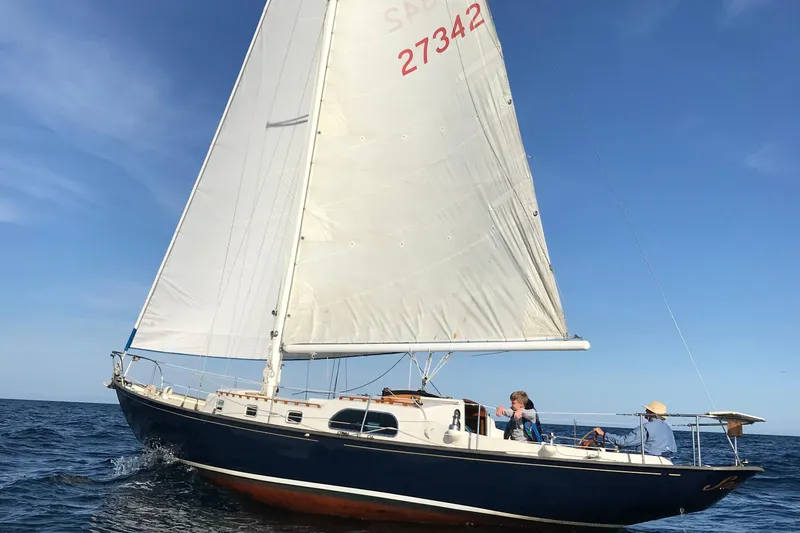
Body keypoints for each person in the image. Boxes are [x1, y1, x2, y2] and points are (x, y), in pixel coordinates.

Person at [593, 401, 677, 457]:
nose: (644, 414)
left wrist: (604, 434)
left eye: (647, 411)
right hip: (666, 460)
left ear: (651, 413)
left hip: (649, 459)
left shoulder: (647, 427)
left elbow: (624, 441)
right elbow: (674, 450)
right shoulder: (668, 428)